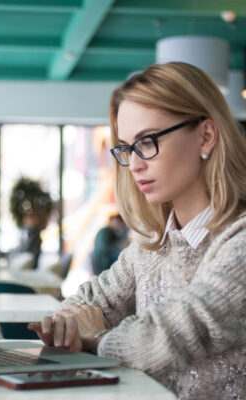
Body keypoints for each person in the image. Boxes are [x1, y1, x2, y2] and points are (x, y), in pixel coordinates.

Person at [29, 62, 246, 399]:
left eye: (147, 141)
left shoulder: (240, 242)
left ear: (206, 136)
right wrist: (71, 326)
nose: (135, 164)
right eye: (127, 148)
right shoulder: (154, 246)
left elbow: (168, 336)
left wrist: (99, 339)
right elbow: (88, 301)